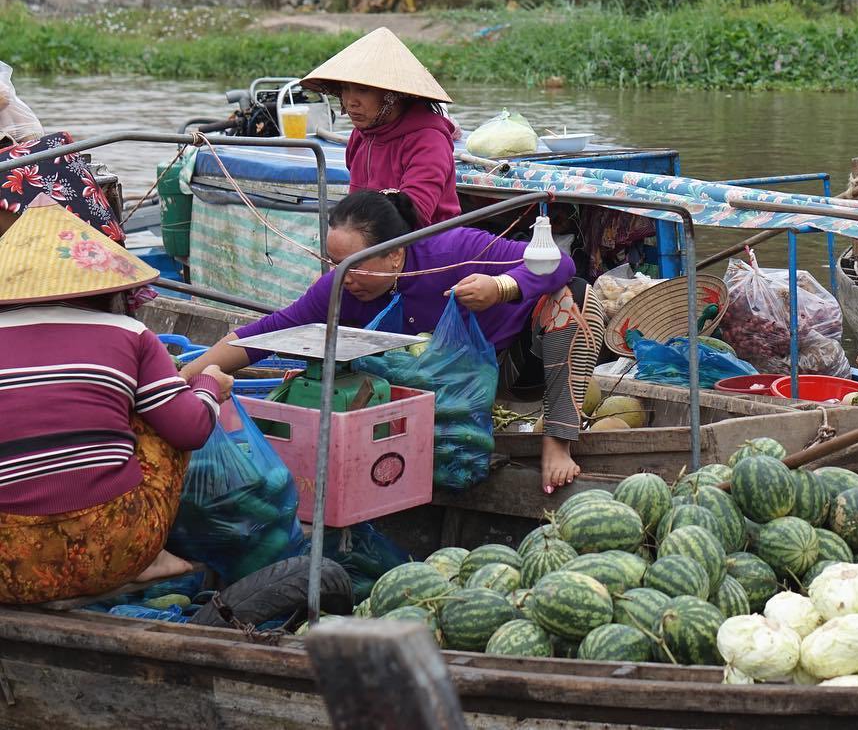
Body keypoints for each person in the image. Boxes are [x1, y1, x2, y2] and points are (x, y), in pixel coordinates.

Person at [180, 190, 600, 492]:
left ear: (395, 255)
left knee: (573, 298)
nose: (342, 275)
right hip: (438, 400)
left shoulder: (452, 249)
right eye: (333, 263)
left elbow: (559, 262)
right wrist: (183, 377)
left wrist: (502, 287)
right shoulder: (339, 288)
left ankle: (557, 441)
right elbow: (272, 331)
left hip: (510, 369)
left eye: (355, 264)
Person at [0, 195, 232, 605]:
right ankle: (155, 557)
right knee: (165, 411)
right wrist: (210, 387)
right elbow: (191, 430)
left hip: (8, 571)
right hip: (115, 550)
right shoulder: (129, 332)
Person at [300, 27, 461, 227]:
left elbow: (414, 216)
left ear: (391, 95)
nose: (350, 101)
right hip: (370, 239)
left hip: (427, 245)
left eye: (362, 90)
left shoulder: (429, 141)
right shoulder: (360, 136)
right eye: (345, 89)